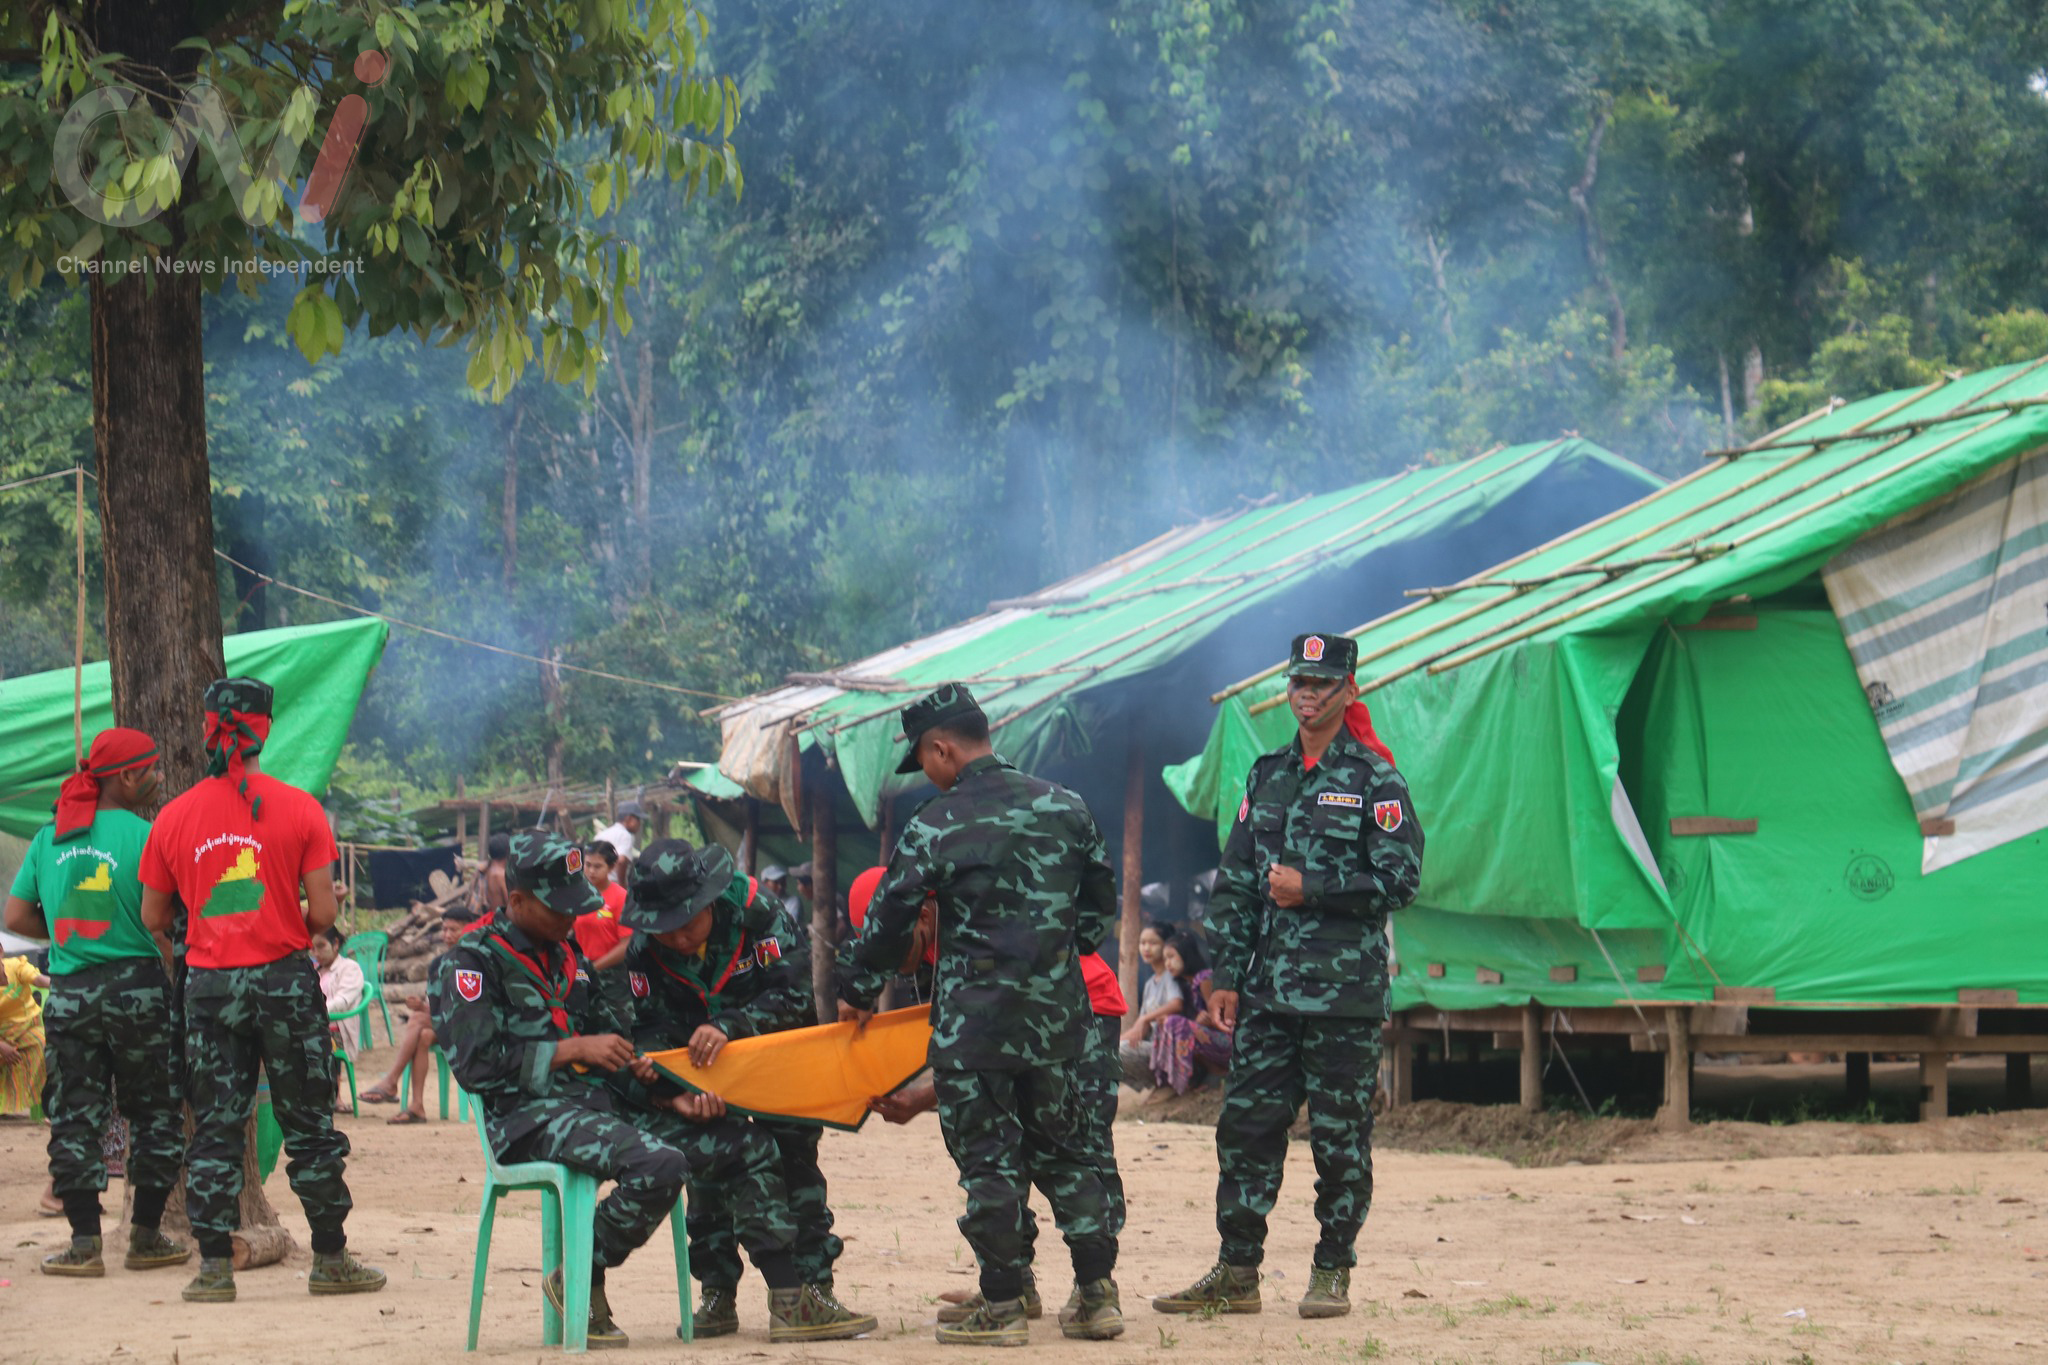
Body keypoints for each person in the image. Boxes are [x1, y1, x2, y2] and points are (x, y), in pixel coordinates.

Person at [432, 830, 865, 1348]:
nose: (572, 918)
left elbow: (619, 1049)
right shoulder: (471, 962)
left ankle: (791, 1301)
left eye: (576, 905)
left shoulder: (568, 956)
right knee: (659, 1164)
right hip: (529, 1116)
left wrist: (668, 1095)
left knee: (745, 1144)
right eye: (560, 908)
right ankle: (580, 1278)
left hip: (601, 1108)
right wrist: (571, 1049)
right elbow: (477, 1067)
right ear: (518, 901)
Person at [838, 682, 1124, 1346]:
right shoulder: (1067, 806)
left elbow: (891, 914)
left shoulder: (936, 822)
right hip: (1058, 1023)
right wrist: (1051, 958)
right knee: (1069, 1155)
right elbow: (1097, 912)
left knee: (990, 1163)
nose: (926, 773)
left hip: (974, 1028)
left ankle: (1002, 1304)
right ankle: (1097, 1296)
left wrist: (858, 986)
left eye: (923, 759)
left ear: (942, 749)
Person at [1155, 632, 1422, 1320]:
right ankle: (1237, 1270)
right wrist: (1224, 974)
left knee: (1339, 1140)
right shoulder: (1267, 774)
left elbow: (1401, 879)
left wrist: (1314, 887)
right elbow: (1237, 881)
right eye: (1299, 682)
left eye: (1322, 683)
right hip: (1269, 994)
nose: (1307, 694)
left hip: (1343, 998)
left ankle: (1332, 1269)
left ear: (1349, 690)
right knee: (1246, 1127)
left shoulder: (1375, 780)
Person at [139, 676, 386, 1302]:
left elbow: (153, 917)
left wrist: (208, 939)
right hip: (284, 984)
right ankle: (330, 1259)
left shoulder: (174, 817)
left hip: (209, 988)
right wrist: (277, 923)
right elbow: (324, 914)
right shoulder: (301, 809)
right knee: (308, 1124)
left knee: (216, 1128)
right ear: (264, 731)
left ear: (208, 731)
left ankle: (214, 1269)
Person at [618, 841, 873, 1340]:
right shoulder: (645, 949)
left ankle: (813, 1290)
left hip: (779, 1062)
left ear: (709, 900)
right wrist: (663, 1076)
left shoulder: (761, 915)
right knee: (711, 1175)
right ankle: (717, 1293)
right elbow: (647, 1026)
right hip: (704, 1077)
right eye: (664, 929)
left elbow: (796, 995)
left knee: (797, 1169)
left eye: (686, 924)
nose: (676, 938)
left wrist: (731, 1025)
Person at [3, 726, 190, 1276]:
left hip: (70, 994)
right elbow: (165, 920)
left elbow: (16, 917)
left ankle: (84, 1244)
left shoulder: (49, 838)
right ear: (126, 777)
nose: (158, 778)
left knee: (73, 1116)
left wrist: (67, 934)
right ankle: (146, 1237)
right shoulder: (148, 836)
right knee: (154, 1114)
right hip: (138, 991)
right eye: (151, 770)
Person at [360, 904, 483, 1121]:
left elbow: (471, 1004)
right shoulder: (438, 964)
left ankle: (391, 1081)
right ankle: (417, 1106)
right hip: (446, 1025)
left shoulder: (478, 960)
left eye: (454, 930)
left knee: (418, 1020)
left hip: (473, 1026)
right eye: (444, 929)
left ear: (469, 929)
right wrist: (422, 1006)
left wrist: (423, 1012)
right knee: (424, 1035)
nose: (447, 935)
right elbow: (437, 1008)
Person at [1148, 937, 1233, 1094]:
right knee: (1165, 1024)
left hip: (1231, 1043)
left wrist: (1204, 1021)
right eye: (1165, 959)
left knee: (1173, 1023)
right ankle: (1169, 1082)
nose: (1167, 963)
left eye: (1171, 957)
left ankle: (1216, 1073)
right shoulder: (1186, 985)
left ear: (1186, 955)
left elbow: (1223, 1021)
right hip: (1213, 1043)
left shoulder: (1205, 979)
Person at [1118, 922, 1181, 1089]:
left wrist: (1145, 1018)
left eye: (1153, 943)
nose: (1146, 948)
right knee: (1109, 1052)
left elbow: (1177, 1003)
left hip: (1172, 1050)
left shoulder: (1171, 977)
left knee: (1119, 1053)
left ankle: (1169, 1084)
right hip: (1154, 1047)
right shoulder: (1149, 984)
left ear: (1167, 945)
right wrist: (1112, 1043)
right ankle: (1157, 1086)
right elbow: (1142, 1029)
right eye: (1142, 943)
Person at [312, 928, 366, 1111]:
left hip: (338, 1029)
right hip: (317, 1024)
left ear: (335, 944)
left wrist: (316, 1012)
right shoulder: (314, 970)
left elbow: (343, 1000)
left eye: (321, 946)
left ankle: (333, 1097)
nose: (316, 953)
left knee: (319, 1039)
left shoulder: (350, 968)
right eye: (312, 949)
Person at [575, 841, 633, 970]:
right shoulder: (577, 894)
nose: (591, 871)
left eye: (598, 866)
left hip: (612, 971)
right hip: (581, 967)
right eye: (588, 865)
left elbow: (626, 944)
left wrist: (593, 968)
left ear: (611, 867)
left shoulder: (621, 897)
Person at [593, 801, 645, 865]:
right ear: (629, 818)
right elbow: (621, 861)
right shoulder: (625, 835)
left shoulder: (601, 834)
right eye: (638, 819)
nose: (640, 823)